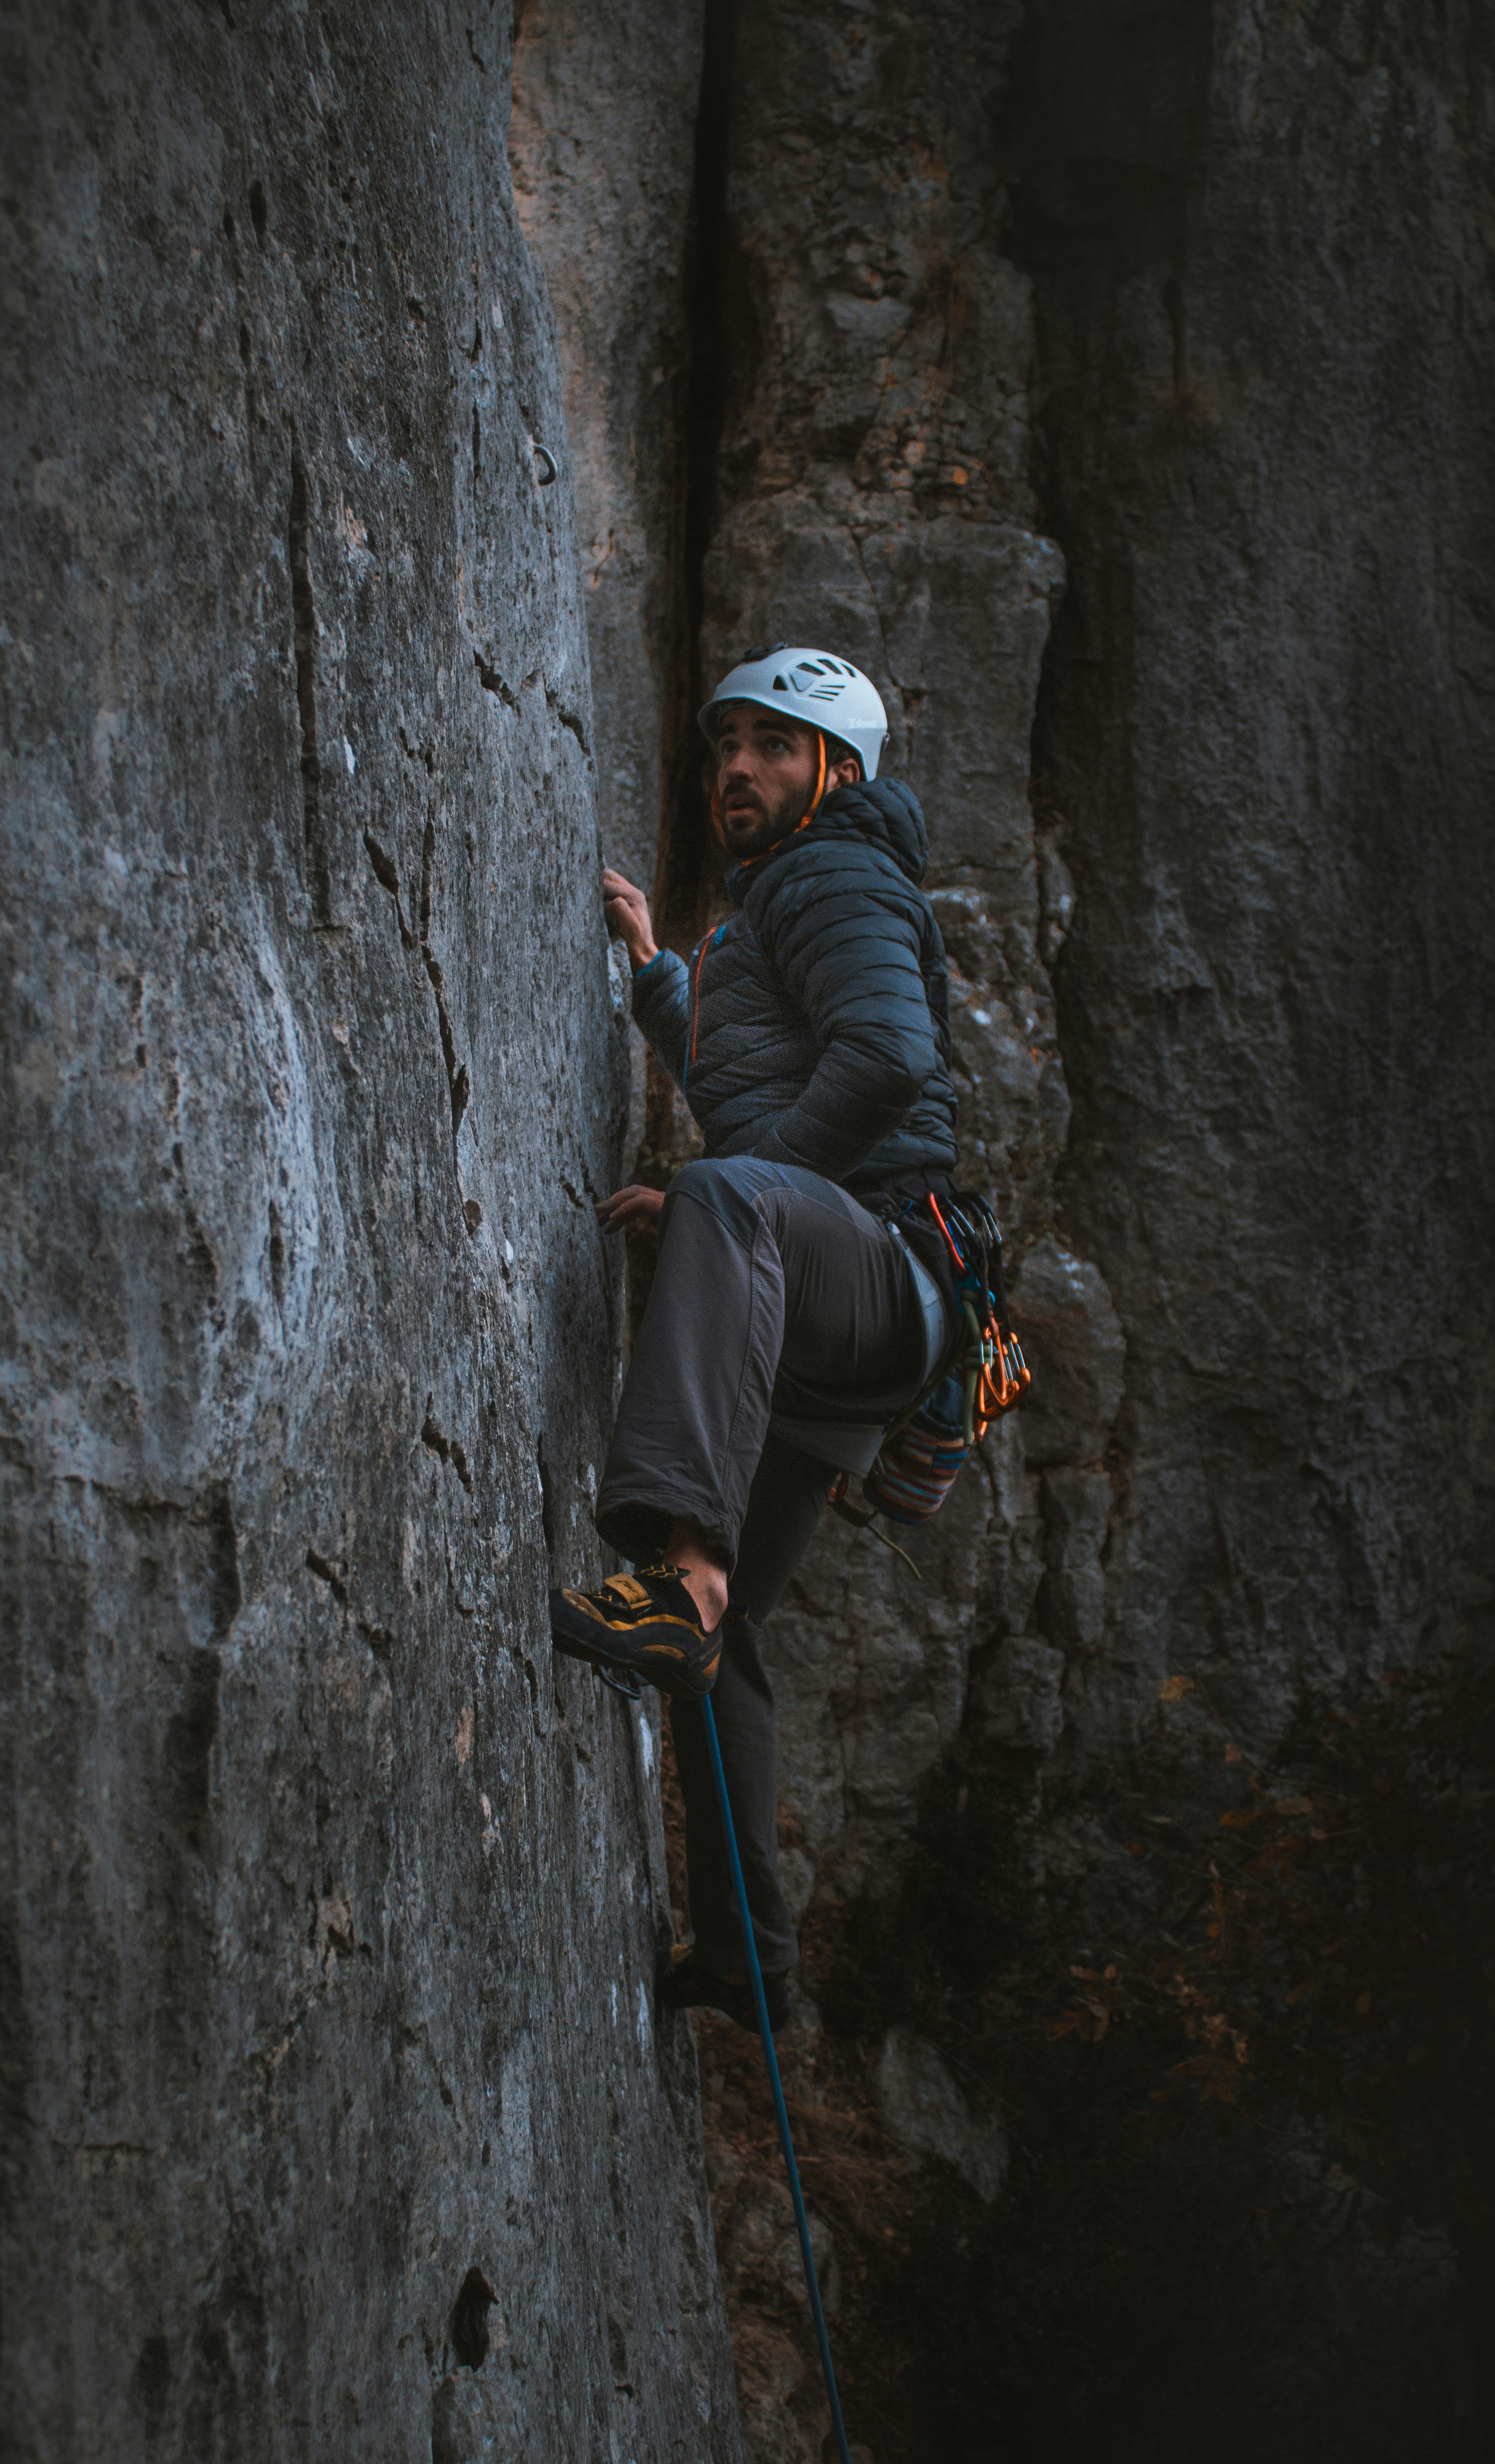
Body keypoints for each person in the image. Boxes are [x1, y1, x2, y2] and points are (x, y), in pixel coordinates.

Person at [548, 645, 960, 2032]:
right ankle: (749, 1964)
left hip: (879, 1275)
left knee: (723, 1192)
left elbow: (891, 1064)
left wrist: (734, 1203)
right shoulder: (773, 905)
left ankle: (681, 1571)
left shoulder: (836, 870)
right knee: (733, 1658)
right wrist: (661, 973)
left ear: (835, 770)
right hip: (814, 1331)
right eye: (727, 743)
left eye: (775, 746)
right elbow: (759, 1071)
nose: (738, 765)